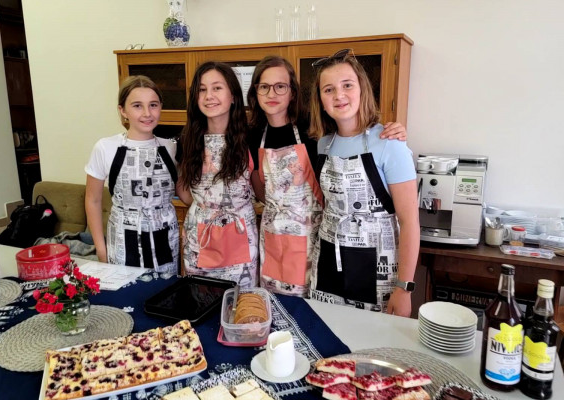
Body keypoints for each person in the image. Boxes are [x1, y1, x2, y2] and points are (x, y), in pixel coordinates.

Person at [247, 55, 408, 297]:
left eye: (280, 86)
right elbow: (261, 191)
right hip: (273, 239)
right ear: (255, 92)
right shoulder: (252, 135)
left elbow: (354, 133)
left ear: (293, 93)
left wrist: (395, 130)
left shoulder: (315, 132)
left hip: (312, 239)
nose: (272, 93)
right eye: (264, 87)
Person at [308, 49, 419, 317]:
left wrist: (404, 288)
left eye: (347, 85)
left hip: (376, 268)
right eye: (329, 90)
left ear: (362, 90)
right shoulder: (323, 145)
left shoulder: (390, 144)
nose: (339, 95)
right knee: (327, 334)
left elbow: (409, 222)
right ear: (321, 100)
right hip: (328, 260)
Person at [85, 75, 186, 276]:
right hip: (123, 241)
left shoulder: (171, 148)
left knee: (164, 292)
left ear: (160, 107)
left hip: (165, 241)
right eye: (137, 106)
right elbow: (93, 200)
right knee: (127, 291)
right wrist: (101, 249)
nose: (147, 113)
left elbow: (185, 194)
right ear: (123, 110)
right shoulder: (106, 148)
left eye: (153, 105)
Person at [177, 61, 258, 287]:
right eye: (202, 90)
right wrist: (206, 208)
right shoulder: (188, 139)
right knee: (200, 299)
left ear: (233, 96)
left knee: (241, 303)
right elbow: (183, 188)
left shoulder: (250, 139)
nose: (209, 96)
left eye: (217, 88)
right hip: (200, 239)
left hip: (240, 238)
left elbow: (259, 185)